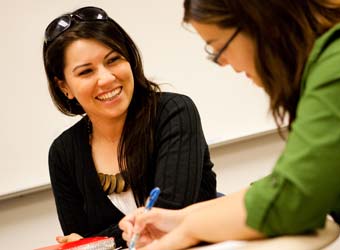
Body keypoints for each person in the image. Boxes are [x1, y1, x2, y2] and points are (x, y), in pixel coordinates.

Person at [119, 0, 340, 249]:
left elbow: (292, 199)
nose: (225, 63)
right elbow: (283, 184)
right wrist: (179, 219)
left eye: (219, 48)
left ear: (260, 20)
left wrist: (189, 230)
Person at [43, 6, 217, 248]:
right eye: (86, 72)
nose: (106, 78)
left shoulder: (174, 111)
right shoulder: (63, 152)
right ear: (65, 87)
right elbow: (80, 243)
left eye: (113, 60)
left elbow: (168, 214)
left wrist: (103, 240)